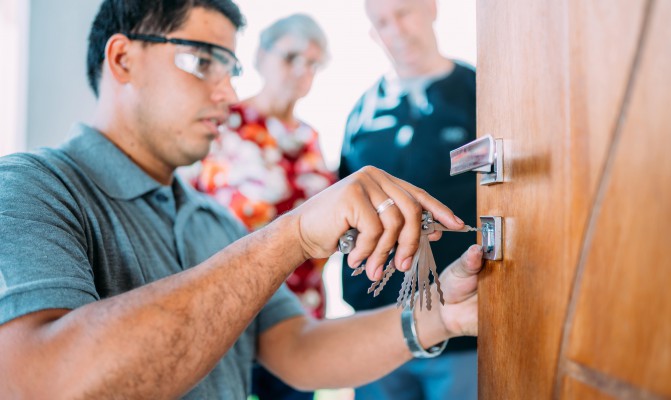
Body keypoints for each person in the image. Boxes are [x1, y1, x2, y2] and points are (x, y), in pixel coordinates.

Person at [0, 1, 483, 399]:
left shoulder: (216, 222)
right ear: (123, 59)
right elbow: (45, 382)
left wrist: (440, 314)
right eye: (201, 61)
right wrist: (293, 233)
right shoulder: (30, 189)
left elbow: (297, 347)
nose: (228, 92)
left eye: (230, 68)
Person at [184, 13, 335, 400]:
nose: (301, 70)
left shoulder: (310, 138)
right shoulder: (221, 124)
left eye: (312, 63)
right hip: (231, 315)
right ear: (262, 56)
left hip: (302, 315)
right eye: (291, 57)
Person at [338, 0, 479, 398]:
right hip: (376, 328)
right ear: (372, 32)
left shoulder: (481, 91)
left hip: (460, 330)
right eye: (382, 21)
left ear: (431, 9)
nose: (396, 29)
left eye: (404, 12)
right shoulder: (361, 113)